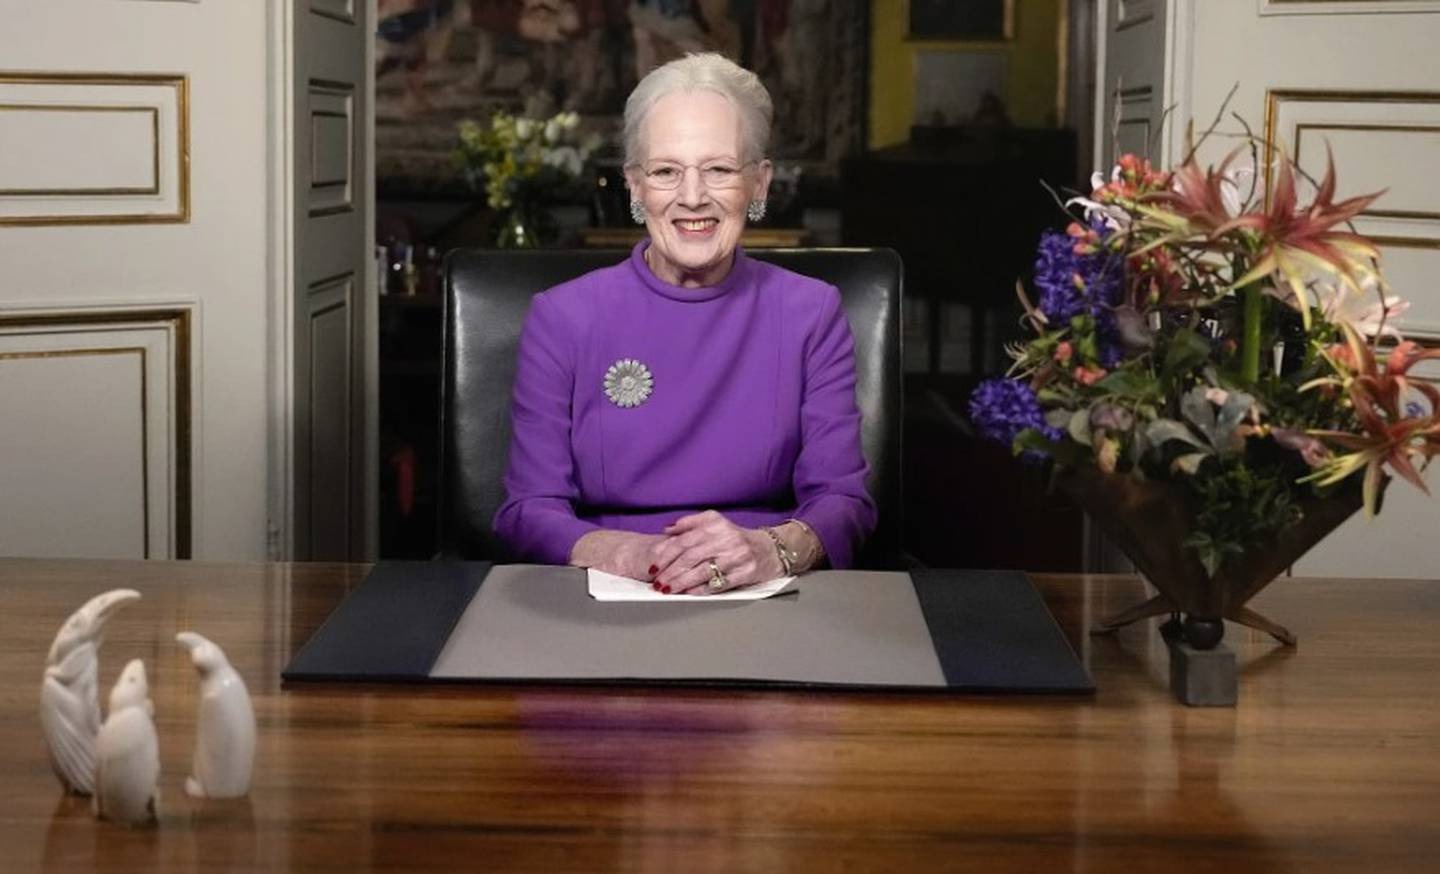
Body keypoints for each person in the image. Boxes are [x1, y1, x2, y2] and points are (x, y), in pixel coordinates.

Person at [494, 52, 875, 594]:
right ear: (634, 186)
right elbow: (527, 510)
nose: (692, 197)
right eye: (666, 171)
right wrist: (638, 555)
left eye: (719, 169)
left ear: (759, 184)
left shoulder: (811, 312)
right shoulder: (562, 317)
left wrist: (768, 550)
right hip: (604, 594)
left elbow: (845, 502)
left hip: (765, 595)